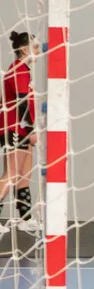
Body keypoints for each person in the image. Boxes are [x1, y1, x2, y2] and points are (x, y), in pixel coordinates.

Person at [0, 31, 40, 236]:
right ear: (24, 49)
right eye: (35, 47)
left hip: (22, 129)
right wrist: (31, 131)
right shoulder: (18, 71)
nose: (38, 50)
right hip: (15, 129)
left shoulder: (24, 71)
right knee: (12, 174)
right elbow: (22, 103)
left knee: (24, 174)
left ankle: (25, 219)